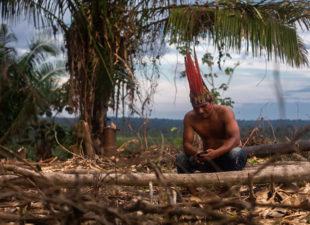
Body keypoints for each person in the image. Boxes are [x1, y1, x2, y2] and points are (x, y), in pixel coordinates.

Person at [176, 49, 247, 194]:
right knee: (181, 157)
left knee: (236, 153)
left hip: (228, 159)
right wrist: (196, 153)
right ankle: (192, 192)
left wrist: (216, 152)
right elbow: (187, 144)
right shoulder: (189, 118)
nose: (201, 111)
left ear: (212, 101)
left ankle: (226, 189)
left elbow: (235, 139)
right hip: (207, 160)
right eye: (196, 108)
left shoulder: (225, 112)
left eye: (204, 106)